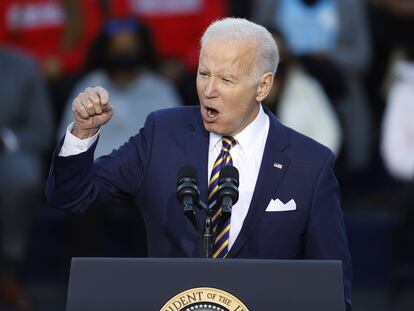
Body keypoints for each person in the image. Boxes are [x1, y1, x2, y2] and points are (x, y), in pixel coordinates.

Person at [46, 18, 352, 310]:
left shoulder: (309, 163)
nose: (209, 90)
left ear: (263, 86)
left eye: (226, 79)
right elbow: (72, 195)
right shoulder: (161, 134)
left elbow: (331, 286)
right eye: (204, 74)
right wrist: (82, 133)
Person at [0, 47, 53, 309]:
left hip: (8, 149)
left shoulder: (22, 66)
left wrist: (6, 140)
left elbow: (41, 129)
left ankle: (8, 270)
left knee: (21, 177)